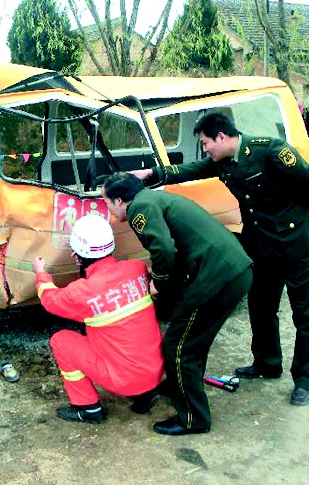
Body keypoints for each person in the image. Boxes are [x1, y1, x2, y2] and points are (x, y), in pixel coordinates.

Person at [130, 112, 309, 407]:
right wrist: (152, 175)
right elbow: (191, 170)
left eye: (206, 142)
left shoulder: (270, 151)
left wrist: (305, 219)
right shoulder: (223, 162)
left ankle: (307, 378)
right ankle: (267, 363)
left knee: (307, 314)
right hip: (262, 246)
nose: (205, 149)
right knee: (261, 308)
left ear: (222, 137)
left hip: (300, 243)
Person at [101, 172, 253, 435]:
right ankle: (177, 384)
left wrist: (158, 282)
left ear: (119, 200)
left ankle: (193, 419)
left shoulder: (140, 208)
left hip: (217, 278)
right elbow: (178, 245)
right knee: (192, 339)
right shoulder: (154, 199)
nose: (108, 208)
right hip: (232, 272)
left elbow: (163, 249)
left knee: (178, 346)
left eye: (106, 202)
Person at [32, 214, 164, 425]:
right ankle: (144, 394)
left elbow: (49, 299)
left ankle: (87, 408)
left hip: (123, 381)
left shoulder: (82, 292)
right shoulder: (137, 269)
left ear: (76, 256)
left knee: (61, 341)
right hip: (155, 372)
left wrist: (40, 273)